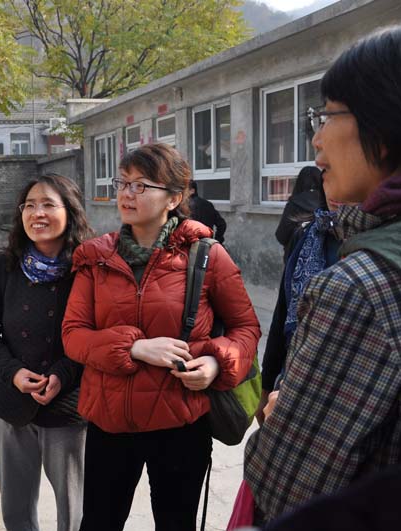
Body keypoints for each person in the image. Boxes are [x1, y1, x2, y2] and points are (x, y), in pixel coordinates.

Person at [244, 24, 401, 525]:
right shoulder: (339, 237)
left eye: (327, 115)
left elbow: (286, 485)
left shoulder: (361, 290)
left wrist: (279, 419)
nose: (316, 137)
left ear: (386, 126)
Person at [62, 143, 260, 531]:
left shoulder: (207, 256)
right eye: (123, 183)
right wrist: (134, 347)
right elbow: (73, 335)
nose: (126, 194)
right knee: (99, 523)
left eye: (141, 185)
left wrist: (216, 362)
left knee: (176, 523)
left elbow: (246, 328)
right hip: (110, 421)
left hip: (180, 424)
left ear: (173, 198)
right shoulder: (95, 258)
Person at [0, 173, 94, 531]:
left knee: (75, 511)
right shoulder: (5, 265)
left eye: (48, 204)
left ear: (70, 212)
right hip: (9, 404)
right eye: (29, 205)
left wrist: (63, 374)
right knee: (16, 510)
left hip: (69, 408)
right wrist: (11, 372)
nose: (37, 213)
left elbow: (97, 335)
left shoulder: (88, 269)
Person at [256, 178, 336, 424]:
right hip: (292, 379)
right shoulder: (309, 235)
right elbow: (283, 313)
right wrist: (267, 384)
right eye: (327, 173)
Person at [274, 166, 324, 251]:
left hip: (296, 254)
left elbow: (281, 236)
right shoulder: (328, 203)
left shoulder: (294, 204)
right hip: (323, 255)